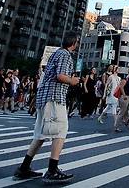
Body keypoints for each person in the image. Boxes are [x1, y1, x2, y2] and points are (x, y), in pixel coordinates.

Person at [12, 31, 80, 183]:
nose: (78, 44)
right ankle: (52, 170)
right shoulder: (64, 54)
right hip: (54, 98)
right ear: (74, 42)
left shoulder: (57, 53)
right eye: (78, 41)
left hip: (45, 98)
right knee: (61, 130)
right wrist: (72, 80)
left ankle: (24, 168)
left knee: (40, 135)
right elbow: (61, 76)